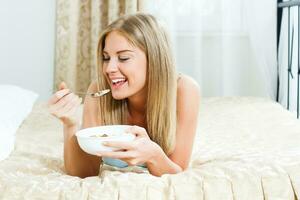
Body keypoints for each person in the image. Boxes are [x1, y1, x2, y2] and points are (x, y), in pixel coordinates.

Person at [48, 13, 200, 178]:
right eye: (106, 58)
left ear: (154, 59)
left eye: (123, 58)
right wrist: (70, 125)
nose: (108, 69)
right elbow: (85, 172)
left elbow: (179, 174)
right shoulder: (99, 91)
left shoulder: (185, 90)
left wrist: (153, 155)